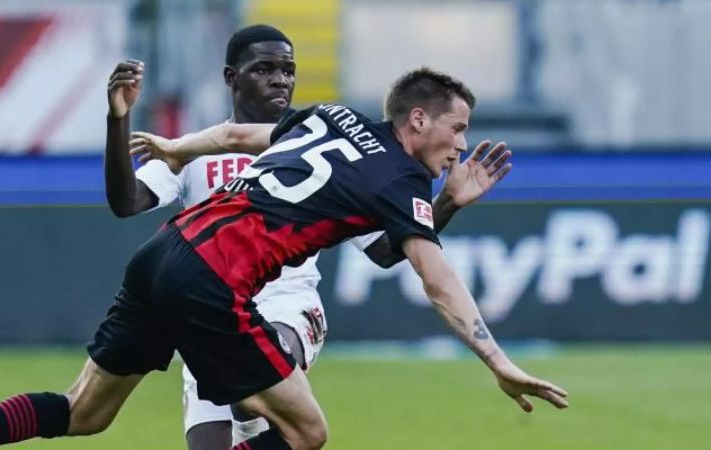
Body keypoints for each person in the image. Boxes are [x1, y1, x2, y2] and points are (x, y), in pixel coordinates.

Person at [0, 67, 559, 450]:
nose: (460, 145)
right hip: (214, 283)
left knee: (84, 411)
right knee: (306, 430)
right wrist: (499, 362)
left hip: (162, 254)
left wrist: (178, 150)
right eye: (457, 128)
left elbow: (238, 134)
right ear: (417, 120)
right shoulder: (400, 179)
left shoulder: (330, 117)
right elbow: (433, 278)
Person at [105, 25, 512, 450]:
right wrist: (119, 120)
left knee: (259, 399)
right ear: (231, 77)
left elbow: (385, 251)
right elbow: (127, 200)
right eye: (265, 69)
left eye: (288, 70)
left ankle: (254, 414)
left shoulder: (330, 147)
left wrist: (445, 201)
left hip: (287, 306)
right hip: (208, 313)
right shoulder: (193, 150)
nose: (281, 79)